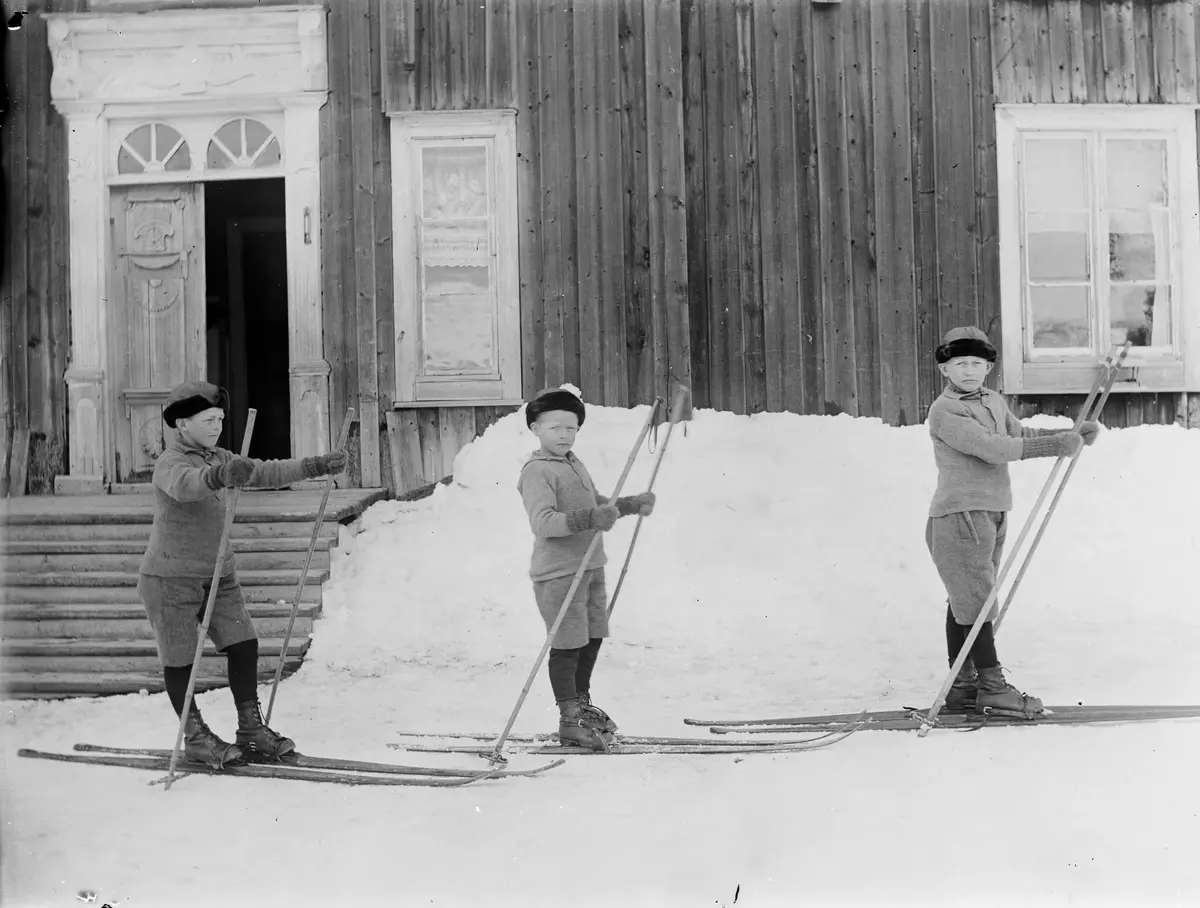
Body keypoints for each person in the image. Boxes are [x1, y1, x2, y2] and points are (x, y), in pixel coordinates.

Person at [137, 380, 347, 768]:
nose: (217, 426)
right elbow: (186, 487)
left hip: (218, 571)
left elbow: (264, 472)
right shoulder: (171, 462)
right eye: (208, 419)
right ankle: (195, 735)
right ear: (182, 424)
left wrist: (316, 466)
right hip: (170, 577)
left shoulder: (220, 455)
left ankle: (250, 728)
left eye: (219, 419)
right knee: (181, 659)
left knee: (243, 642)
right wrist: (219, 477)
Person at [925, 328, 1101, 717]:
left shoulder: (992, 401)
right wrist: (1055, 447)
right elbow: (990, 448)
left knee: (969, 602)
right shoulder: (946, 410)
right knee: (977, 603)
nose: (968, 371)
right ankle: (992, 687)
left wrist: (1069, 435)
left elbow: (1018, 435)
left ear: (988, 367)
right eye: (959, 364)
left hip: (992, 511)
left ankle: (963, 686)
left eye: (976, 364)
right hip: (960, 515)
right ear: (945, 369)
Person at [517, 388, 656, 750]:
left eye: (572, 428)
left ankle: (581, 705)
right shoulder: (537, 471)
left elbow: (591, 504)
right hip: (559, 572)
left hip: (591, 565)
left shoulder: (573, 463)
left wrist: (627, 505)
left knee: (591, 637)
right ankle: (569, 718)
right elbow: (544, 522)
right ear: (535, 428)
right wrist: (591, 518)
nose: (565, 434)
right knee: (567, 643)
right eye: (555, 427)